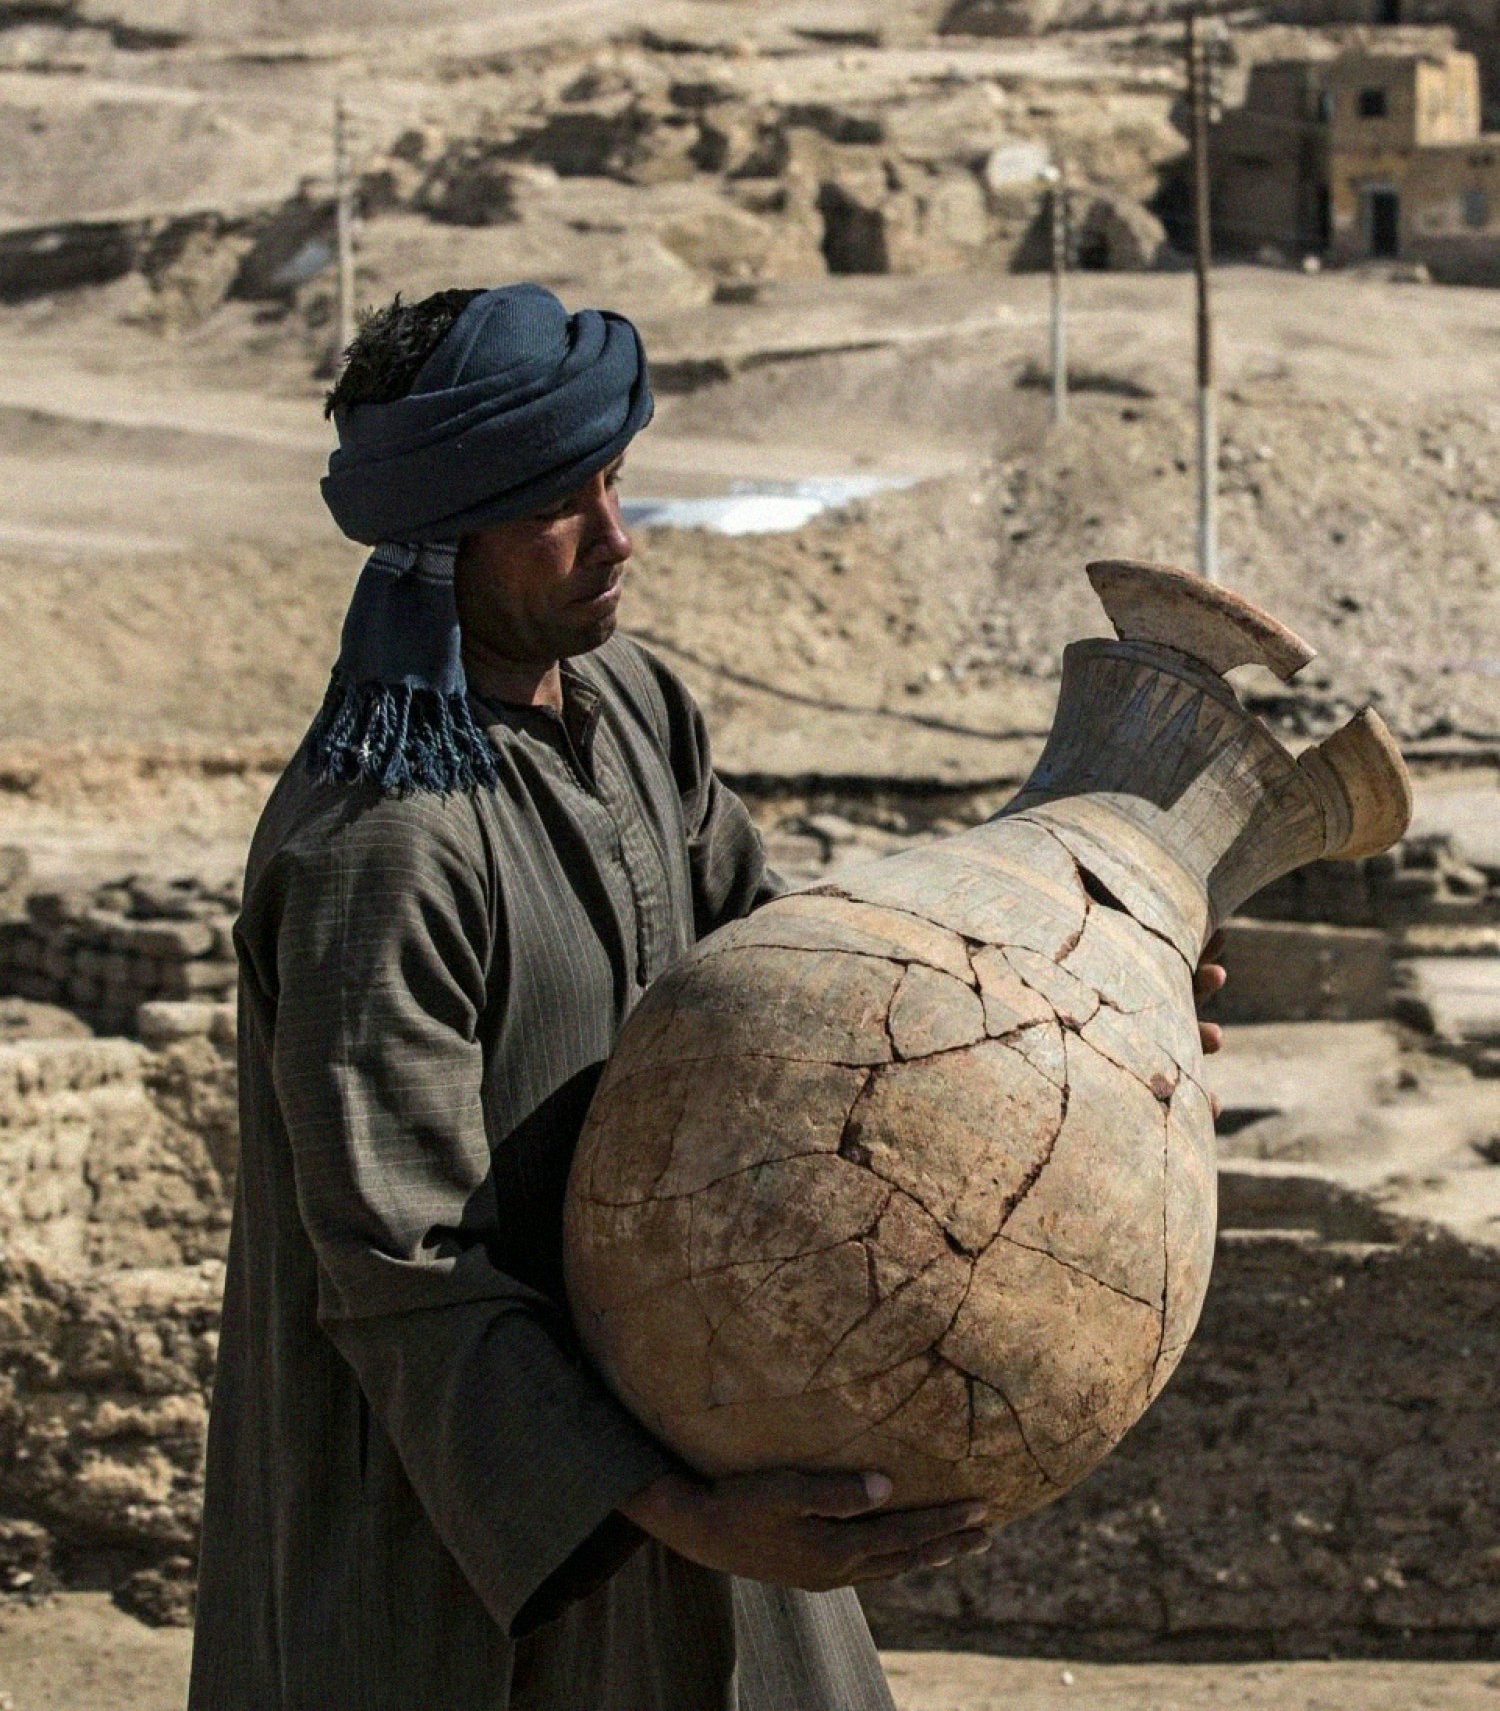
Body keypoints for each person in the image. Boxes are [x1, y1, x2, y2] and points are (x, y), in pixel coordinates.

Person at [189, 282, 1228, 1709]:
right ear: (441, 537)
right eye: (559, 505)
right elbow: (400, 1262)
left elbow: (803, 984)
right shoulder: (381, 843)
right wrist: (671, 1511)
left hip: (699, 1390)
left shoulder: (629, 712)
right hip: (481, 1498)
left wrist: (1086, 1013)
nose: (617, 536)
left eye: (614, 479)